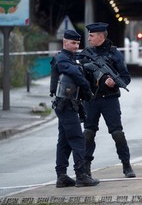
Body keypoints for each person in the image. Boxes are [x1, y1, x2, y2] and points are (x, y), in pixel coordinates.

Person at [77, 22, 136, 178]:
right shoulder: (85, 54)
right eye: (89, 35)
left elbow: (126, 77)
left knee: (117, 133)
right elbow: (78, 72)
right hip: (91, 99)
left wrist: (114, 82)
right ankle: (85, 167)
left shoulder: (114, 54)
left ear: (101, 36)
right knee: (88, 133)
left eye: (92, 36)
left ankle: (126, 165)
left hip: (110, 99)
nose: (89, 39)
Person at [50, 30, 99, 188]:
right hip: (66, 104)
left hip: (71, 104)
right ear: (65, 43)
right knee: (78, 139)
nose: (76, 46)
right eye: (73, 43)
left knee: (64, 141)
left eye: (78, 43)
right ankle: (81, 175)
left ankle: (62, 176)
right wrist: (87, 89)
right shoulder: (61, 58)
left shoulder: (72, 58)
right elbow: (74, 73)